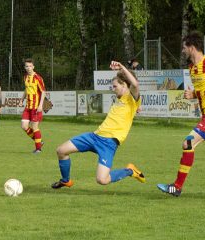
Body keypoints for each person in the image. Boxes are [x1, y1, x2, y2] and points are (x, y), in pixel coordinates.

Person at [51, 61, 145, 190]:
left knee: (102, 180)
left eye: (115, 86)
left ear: (124, 85)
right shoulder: (120, 98)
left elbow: (135, 84)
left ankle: (130, 171)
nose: (113, 89)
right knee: (61, 150)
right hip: (94, 136)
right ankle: (66, 181)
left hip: (109, 143)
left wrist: (122, 67)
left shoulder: (132, 98)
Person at [157, 31, 205, 197]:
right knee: (188, 144)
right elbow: (201, 91)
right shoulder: (192, 68)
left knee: (188, 144)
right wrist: (193, 95)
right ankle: (177, 187)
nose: (183, 50)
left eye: (184, 47)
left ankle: (177, 186)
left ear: (192, 47)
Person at [18, 58, 46, 153]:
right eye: (27, 66)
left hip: (36, 107)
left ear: (33, 67)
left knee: (34, 127)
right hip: (28, 106)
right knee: (24, 126)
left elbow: (43, 92)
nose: (28, 68)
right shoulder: (25, 77)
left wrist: (41, 105)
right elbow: (26, 89)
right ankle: (39, 141)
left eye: (30, 66)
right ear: (25, 67)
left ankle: (38, 149)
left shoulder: (38, 77)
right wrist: (21, 100)